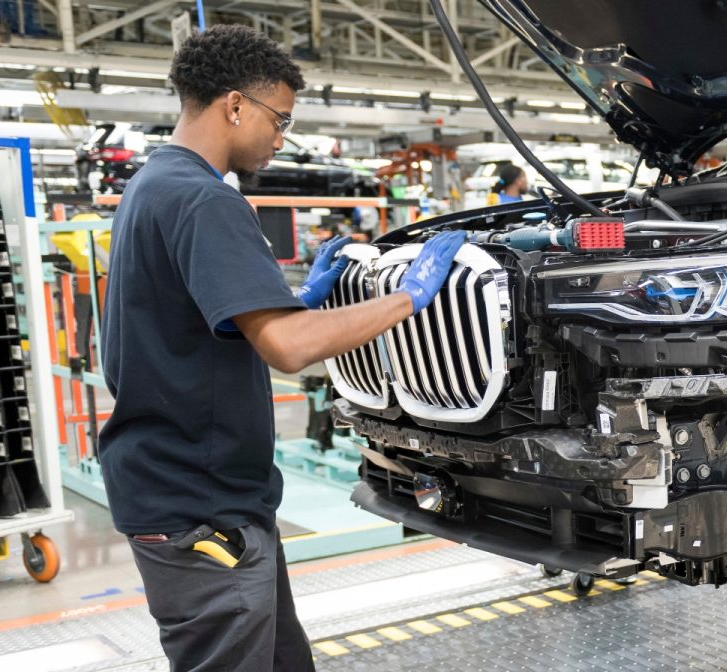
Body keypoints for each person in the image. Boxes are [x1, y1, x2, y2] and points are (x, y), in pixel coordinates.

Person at [98, 25, 467, 671]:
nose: (281, 138)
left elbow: (205, 318)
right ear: (235, 105)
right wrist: (408, 297)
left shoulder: (153, 183)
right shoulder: (204, 199)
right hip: (200, 505)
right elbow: (288, 349)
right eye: (280, 119)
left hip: (200, 491)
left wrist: (298, 297)